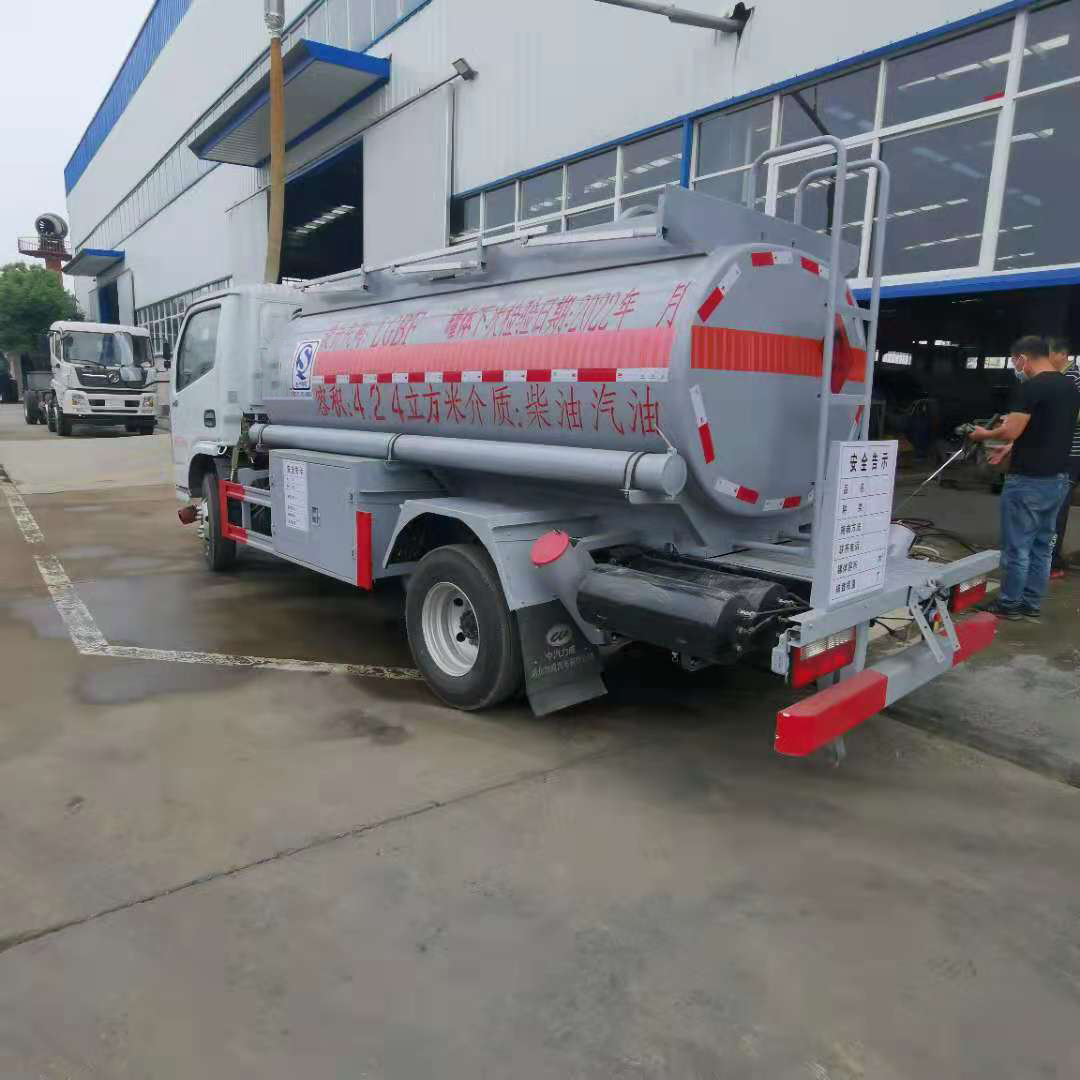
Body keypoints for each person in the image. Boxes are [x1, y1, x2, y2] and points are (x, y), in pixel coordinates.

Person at [969, 335, 1080, 619]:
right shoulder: (1069, 386)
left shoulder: (1031, 387)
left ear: (1022, 358)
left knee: (1017, 547)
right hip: (1058, 478)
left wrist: (985, 434)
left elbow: (1011, 430)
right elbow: (1047, 428)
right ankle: (1031, 603)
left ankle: (1009, 604)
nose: (1015, 367)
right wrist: (1010, 448)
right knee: (1042, 546)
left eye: (1014, 361)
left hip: (1028, 480)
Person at [1048, 337, 1080, 577]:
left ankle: (1051, 562)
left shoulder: (1071, 379)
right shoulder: (1063, 378)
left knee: (1057, 508)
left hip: (1070, 452)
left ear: (1060, 354)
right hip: (1067, 451)